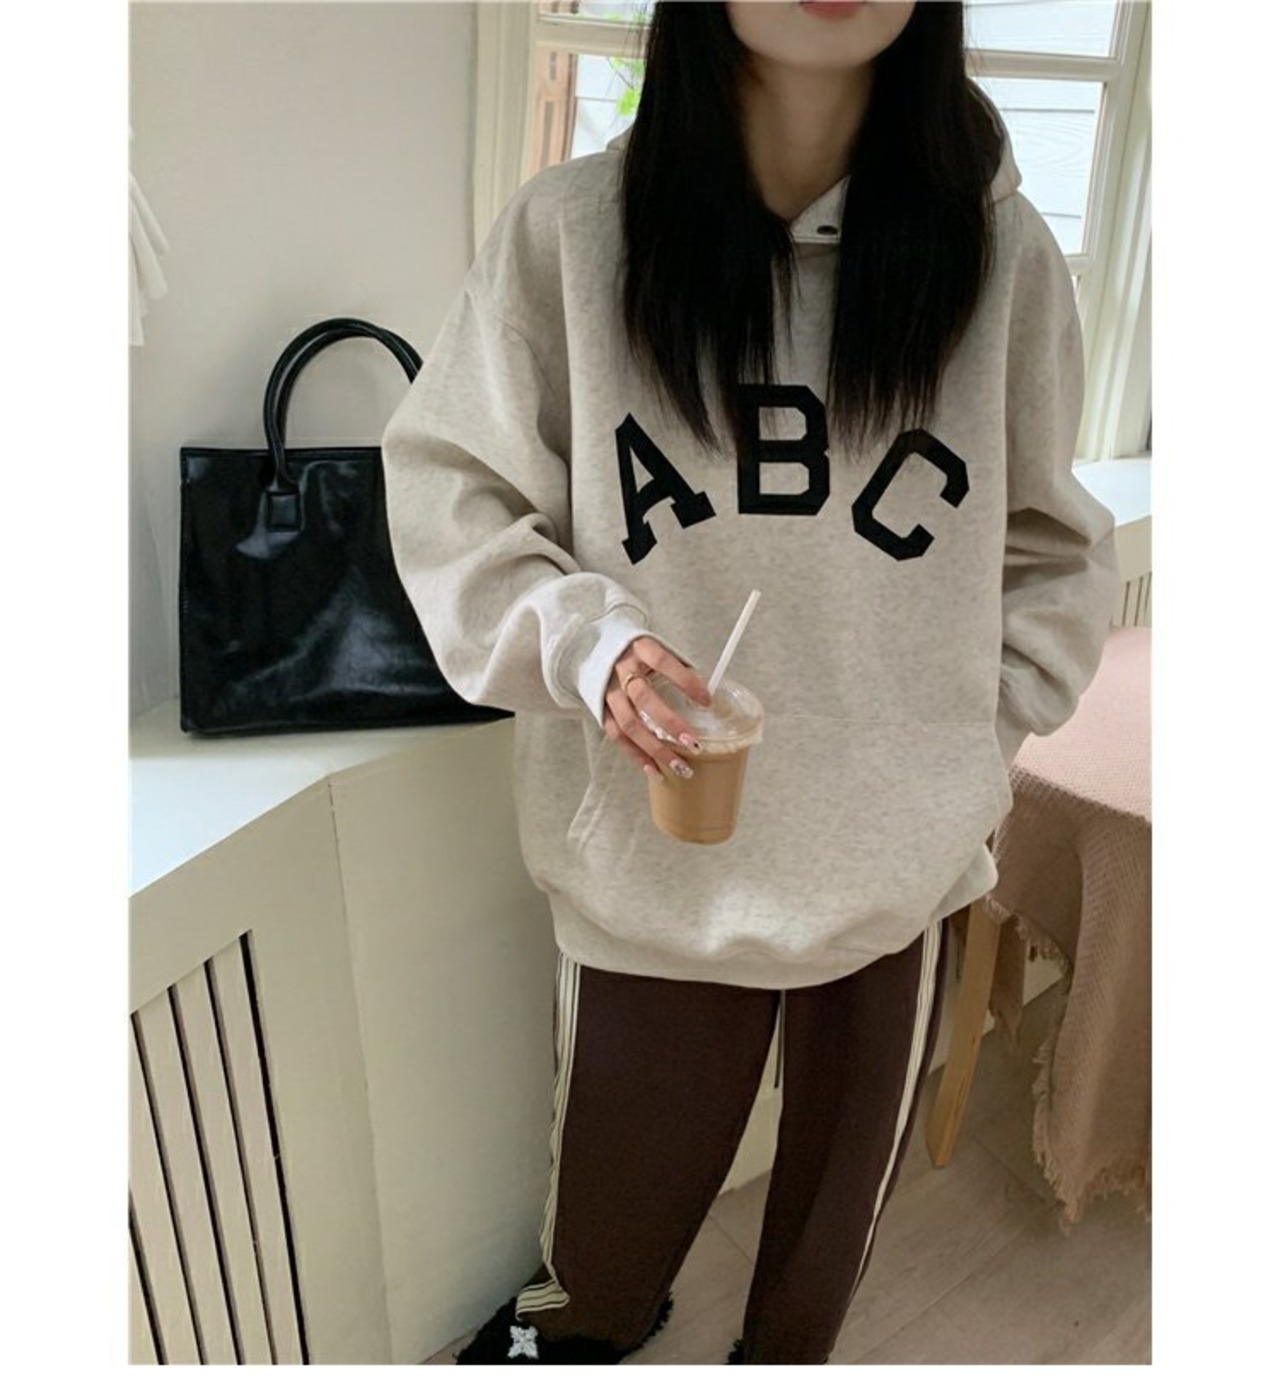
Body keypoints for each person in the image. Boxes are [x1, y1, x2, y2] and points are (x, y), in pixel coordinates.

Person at [381, 0, 1118, 1366]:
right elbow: (453, 498)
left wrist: (962, 747)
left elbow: (1054, 551)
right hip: (656, 879)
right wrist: (588, 643)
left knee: (812, 1290)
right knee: (599, 1265)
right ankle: (583, 1334)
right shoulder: (570, 238)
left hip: (895, 878)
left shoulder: (1002, 257)